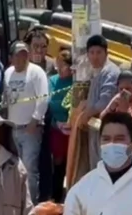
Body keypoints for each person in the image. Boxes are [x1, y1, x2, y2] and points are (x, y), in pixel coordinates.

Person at [4, 41, 49, 202]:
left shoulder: (37, 72)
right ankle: (17, 200)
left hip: (30, 129)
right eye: (18, 54)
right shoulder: (8, 73)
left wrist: (35, 120)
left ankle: (31, 203)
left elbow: (43, 98)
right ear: (11, 58)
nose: (21, 58)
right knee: (16, 168)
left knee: (30, 168)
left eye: (24, 54)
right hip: (13, 128)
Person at [76, 35, 120, 168]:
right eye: (92, 53)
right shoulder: (96, 72)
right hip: (94, 129)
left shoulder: (110, 72)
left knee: (104, 166)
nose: (95, 56)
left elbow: (104, 101)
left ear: (106, 53)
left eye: (99, 52)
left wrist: (86, 115)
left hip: (105, 129)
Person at [48, 48, 73, 202]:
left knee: (70, 161)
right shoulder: (52, 80)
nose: (64, 69)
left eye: (66, 65)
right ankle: (55, 195)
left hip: (72, 127)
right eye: (61, 65)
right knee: (57, 161)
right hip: (56, 127)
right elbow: (50, 102)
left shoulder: (76, 82)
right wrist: (58, 121)